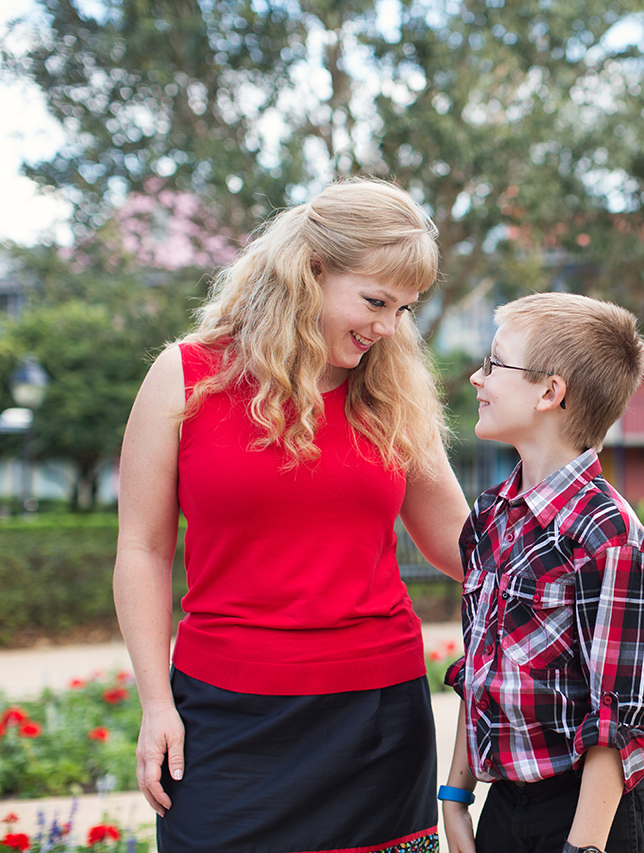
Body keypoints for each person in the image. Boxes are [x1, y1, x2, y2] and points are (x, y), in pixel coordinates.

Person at [113, 177, 471, 853]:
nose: (388, 326)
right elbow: (143, 548)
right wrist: (156, 702)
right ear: (310, 270)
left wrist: (569, 501)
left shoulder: (391, 395)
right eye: (374, 300)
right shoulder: (182, 375)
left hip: (376, 721)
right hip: (222, 718)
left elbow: (465, 544)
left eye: (403, 308)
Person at [439, 292, 644, 853]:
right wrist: (455, 801)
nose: (478, 377)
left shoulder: (610, 536)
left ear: (550, 391)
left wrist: (583, 848)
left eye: (496, 363)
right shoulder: (491, 515)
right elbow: (480, 668)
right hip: (509, 804)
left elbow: (620, 722)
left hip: (597, 816)